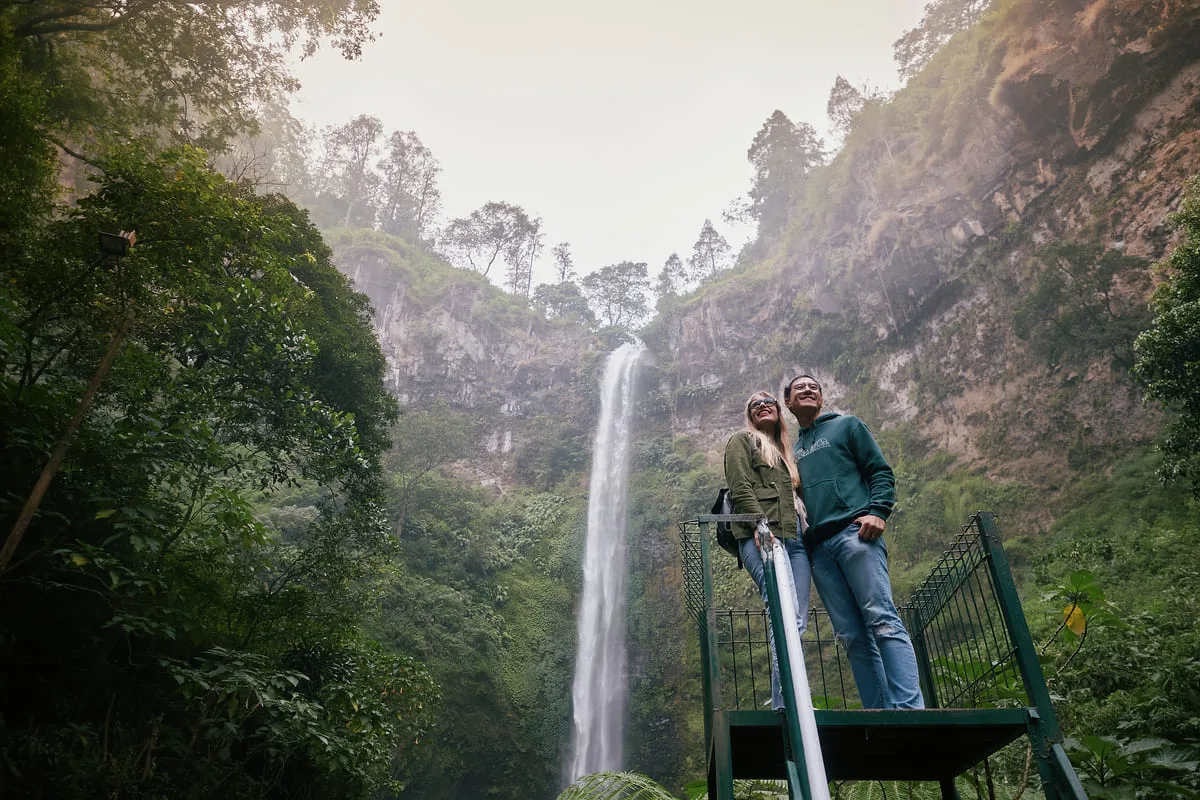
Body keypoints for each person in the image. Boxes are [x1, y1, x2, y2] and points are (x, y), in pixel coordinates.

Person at [783, 373, 924, 709]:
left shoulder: (847, 426)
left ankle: (909, 710)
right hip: (819, 550)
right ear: (788, 402)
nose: (807, 389)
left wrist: (879, 510)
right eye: (799, 387)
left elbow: (879, 470)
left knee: (882, 619)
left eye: (814, 386)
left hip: (855, 533)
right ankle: (879, 712)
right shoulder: (794, 450)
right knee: (851, 637)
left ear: (821, 397)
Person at [723, 390, 810, 712]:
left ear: (778, 410)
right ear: (750, 414)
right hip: (764, 536)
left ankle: (785, 699)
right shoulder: (742, 441)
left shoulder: (788, 452)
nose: (762, 406)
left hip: (796, 540)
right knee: (782, 610)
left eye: (768, 402)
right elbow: (740, 486)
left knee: (796, 619)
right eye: (755, 404)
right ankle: (790, 703)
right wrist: (760, 526)